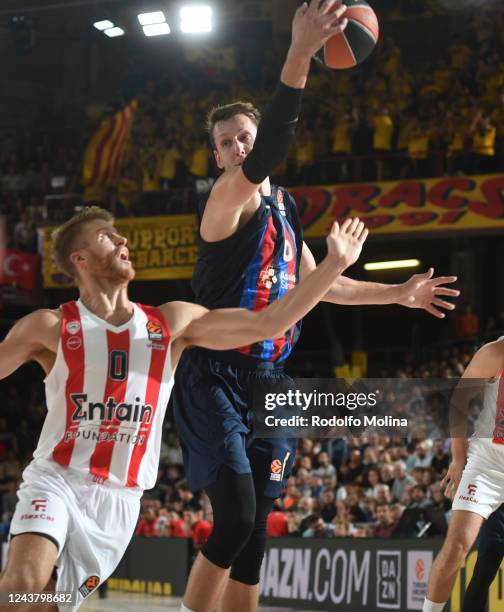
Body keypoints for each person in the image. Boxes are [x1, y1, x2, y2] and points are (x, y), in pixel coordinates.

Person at [173, 2, 460, 611]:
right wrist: (299, 53)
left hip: (272, 381)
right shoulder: (226, 199)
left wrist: (398, 294)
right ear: (220, 158)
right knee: (233, 520)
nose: (237, 146)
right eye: (227, 143)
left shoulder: (287, 214)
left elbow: (324, 287)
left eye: (244, 136)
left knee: (254, 538)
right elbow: (275, 143)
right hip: (217, 373)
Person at [0, 205, 367, 612]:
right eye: (106, 235)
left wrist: (334, 265)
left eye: (119, 233)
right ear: (79, 259)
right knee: (19, 588)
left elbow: (267, 325)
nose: (122, 240)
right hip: (57, 479)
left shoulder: (170, 322)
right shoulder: (49, 326)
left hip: (119, 501)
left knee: (43, 604)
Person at [423, 337, 504, 612]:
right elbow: (459, 400)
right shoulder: (496, 352)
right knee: (456, 548)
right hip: (488, 467)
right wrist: (458, 458)